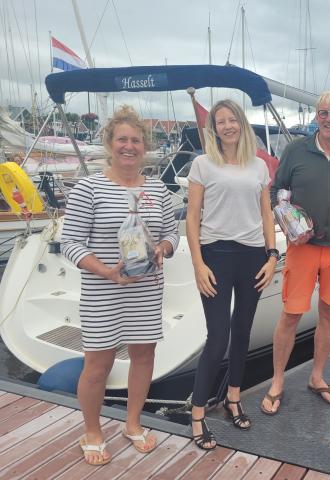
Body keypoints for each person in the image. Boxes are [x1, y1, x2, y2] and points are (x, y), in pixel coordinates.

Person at [61, 105, 179, 466]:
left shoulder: (158, 189)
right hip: (104, 290)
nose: (129, 146)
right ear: (110, 144)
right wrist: (106, 271)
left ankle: (132, 423)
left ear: (145, 147)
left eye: (136, 141)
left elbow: (171, 234)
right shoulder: (89, 187)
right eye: (122, 140)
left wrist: (162, 248)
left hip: (146, 289)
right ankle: (92, 431)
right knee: (98, 363)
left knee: (144, 356)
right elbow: (71, 243)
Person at [261, 90, 330, 414]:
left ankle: (317, 377)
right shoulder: (296, 151)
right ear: (316, 118)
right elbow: (276, 191)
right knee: (291, 314)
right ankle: (277, 381)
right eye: (324, 113)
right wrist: (290, 221)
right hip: (302, 248)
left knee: (329, 313)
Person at [186, 99, 277, 449]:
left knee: (242, 332)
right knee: (218, 338)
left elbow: (266, 214)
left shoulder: (258, 167)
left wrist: (272, 256)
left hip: (253, 256)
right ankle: (197, 415)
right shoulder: (202, 165)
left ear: (241, 123)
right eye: (220, 121)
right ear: (214, 129)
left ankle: (233, 399)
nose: (227, 126)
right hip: (216, 256)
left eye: (232, 120)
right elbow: (192, 217)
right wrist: (198, 264)